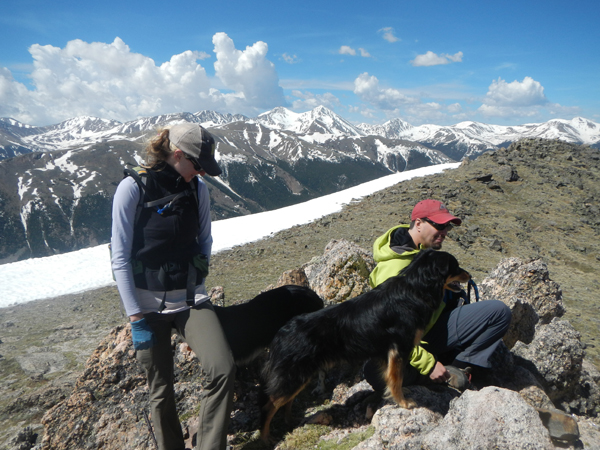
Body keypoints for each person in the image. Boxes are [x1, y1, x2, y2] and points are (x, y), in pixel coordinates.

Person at [111, 123, 235, 450]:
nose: (201, 174)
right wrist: (136, 317)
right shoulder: (132, 188)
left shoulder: (198, 190)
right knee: (161, 391)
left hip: (190, 301)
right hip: (147, 309)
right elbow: (120, 257)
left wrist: (198, 283)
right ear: (177, 154)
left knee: (222, 368)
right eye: (197, 166)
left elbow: (205, 239)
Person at [365, 199, 511, 389]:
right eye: (439, 225)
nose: (444, 232)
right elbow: (390, 330)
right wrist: (428, 364)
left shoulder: (422, 252)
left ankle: (457, 367)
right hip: (411, 341)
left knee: (498, 312)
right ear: (418, 224)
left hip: (430, 330)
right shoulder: (395, 268)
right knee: (377, 371)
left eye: (447, 227)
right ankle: (442, 375)